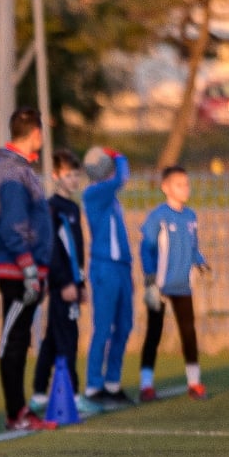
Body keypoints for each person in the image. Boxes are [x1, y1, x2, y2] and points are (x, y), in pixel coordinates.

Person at [0, 107, 57, 431]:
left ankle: (21, 409)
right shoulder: (13, 173)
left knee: (20, 339)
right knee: (12, 340)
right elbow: (14, 225)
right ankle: (16, 413)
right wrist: (29, 267)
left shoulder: (22, 169)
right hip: (17, 271)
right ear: (36, 134)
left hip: (28, 269)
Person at [28, 149, 100, 417]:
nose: (73, 180)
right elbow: (53, 250)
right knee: (67, 338)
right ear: (56, 176)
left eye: (76, 175)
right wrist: (63, 283)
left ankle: (38, 392)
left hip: (73, 284)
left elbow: (76, 250)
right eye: (68, 175)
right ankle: (75, 395)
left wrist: (80, 283)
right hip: (61, 286)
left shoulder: (72, 207)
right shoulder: (52, 208)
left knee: (52, 339)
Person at [138, 165, 210, 402]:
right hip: (160, 285)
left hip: (183, 285)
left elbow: (193, 247)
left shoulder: (190, 216)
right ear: (165, 188)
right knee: (154, 332)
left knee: (188, 332)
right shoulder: (158, 216)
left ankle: (194, 382)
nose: (185, 188)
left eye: (187, 184)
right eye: (180, 184)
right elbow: (146, 247)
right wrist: (149, 278)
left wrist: (200, 262)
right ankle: (146, 384)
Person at [82, 145, 135, 408]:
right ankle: (94, 386)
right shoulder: (94, 193)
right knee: (103, 328)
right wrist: (118, 154)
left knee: (124, 326)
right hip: (104, 267)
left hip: (122, 267)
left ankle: (112, 384)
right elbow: (122, 176)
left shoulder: (108, 196)